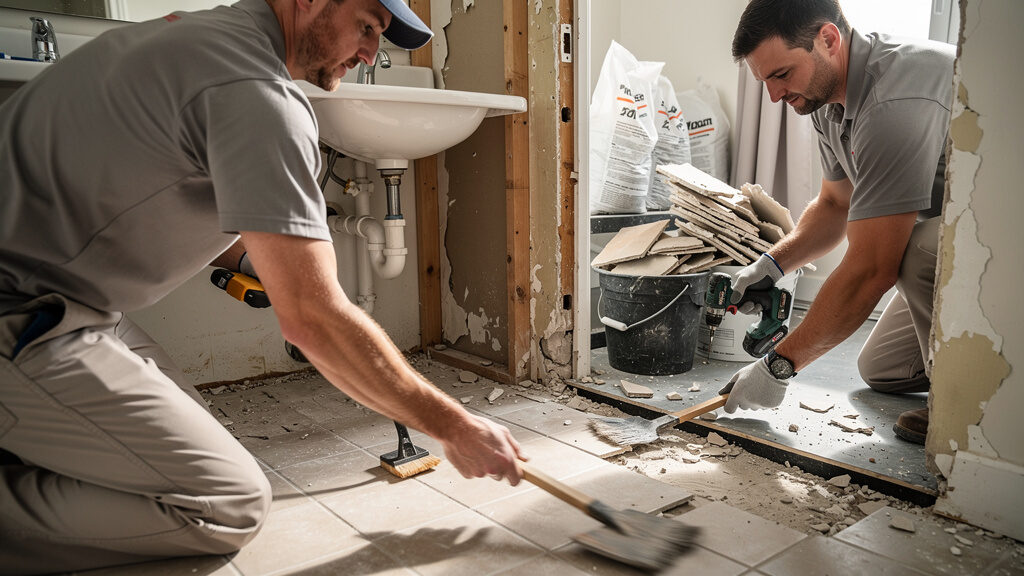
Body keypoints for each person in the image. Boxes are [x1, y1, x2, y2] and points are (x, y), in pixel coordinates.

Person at [0, 0, 525, 572]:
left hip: (70, 300)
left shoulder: (201, 40)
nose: (372, 52)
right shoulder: (255, 92)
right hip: (25, 312)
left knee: (172, 442)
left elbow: (164, 198)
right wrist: (454, 425)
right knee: (226, 502)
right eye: (366, 26)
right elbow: (313, 320)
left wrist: (274, 264)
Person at [720, 0, 954, 446]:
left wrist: (778, 366)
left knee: (918, 250)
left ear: (828, 39)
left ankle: (964, 407)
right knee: (881, 369)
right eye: (765, 82)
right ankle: (956, 366)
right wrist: (771, 265)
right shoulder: (827, 100)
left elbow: (872, 270)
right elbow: (834, 204)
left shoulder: (892, 101)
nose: (774, 96)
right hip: (964, 236)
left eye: (782, 75)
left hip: (1001, 237)